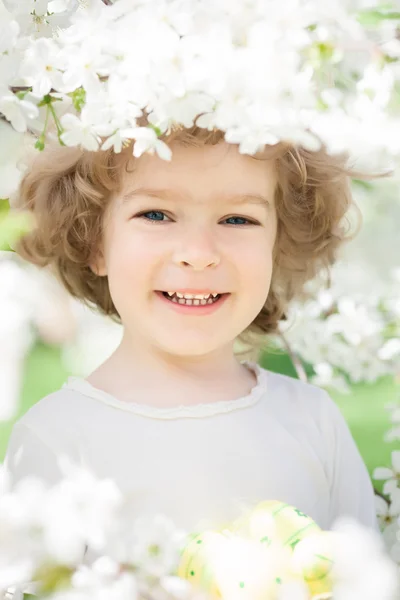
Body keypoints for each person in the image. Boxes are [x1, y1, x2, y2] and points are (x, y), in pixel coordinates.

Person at [4, 125, 379, 533]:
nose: (199, 255)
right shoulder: (58, 439)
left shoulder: (312, 420)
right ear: (95, 241)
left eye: (237, 219)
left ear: (279, 244)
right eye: (156, 215)